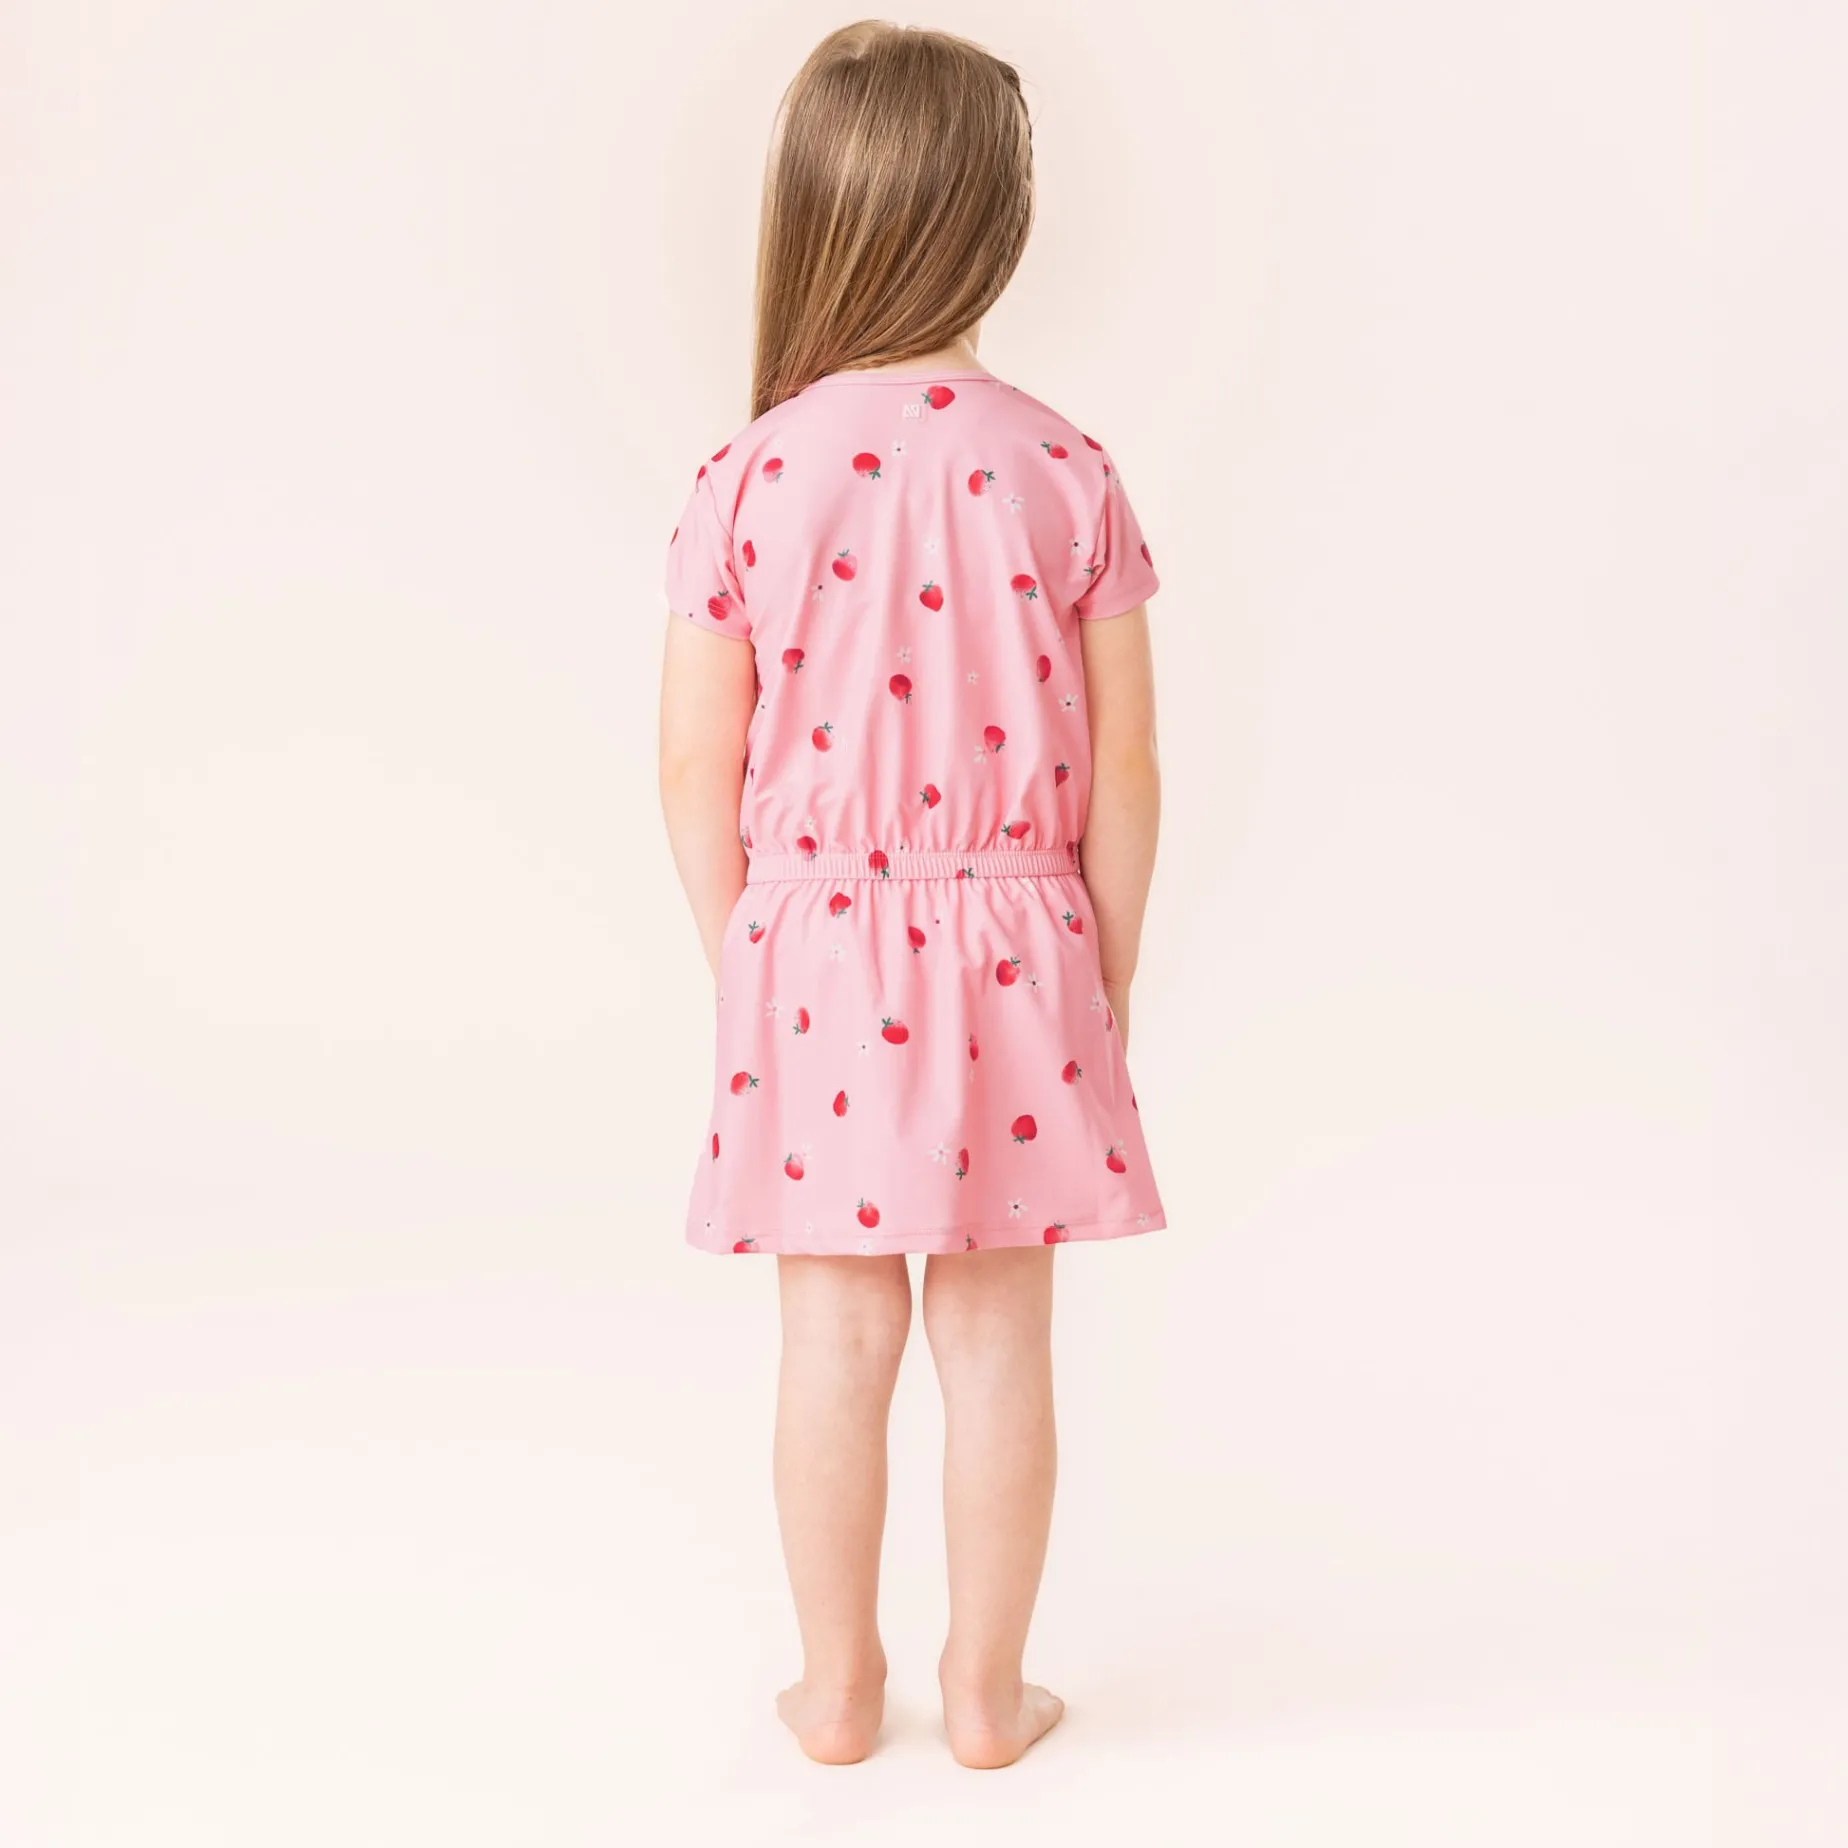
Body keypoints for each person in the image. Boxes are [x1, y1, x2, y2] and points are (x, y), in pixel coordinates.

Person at [658, 21, 1164, 1769]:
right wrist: (1104, 979)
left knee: (832, 1326)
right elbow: (1126, 776)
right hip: (1024, 937)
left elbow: (691, 767)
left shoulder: (747, 473)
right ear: (995, 224)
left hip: (811, 938)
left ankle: (836, 1688)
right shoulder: (1066, 467)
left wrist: (748, 952)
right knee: (1000, 1330)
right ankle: (988, 1693)